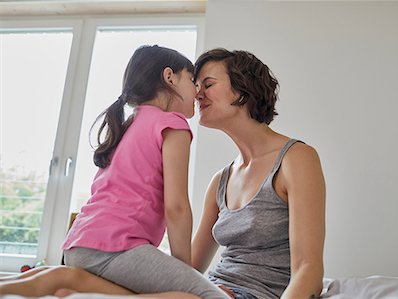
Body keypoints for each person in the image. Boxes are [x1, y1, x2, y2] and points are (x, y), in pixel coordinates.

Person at [0, 48, 326, 299]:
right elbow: (188, 268)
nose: (197, 93)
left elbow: (308, 269)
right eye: (195, 84)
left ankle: (75, 283)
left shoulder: (296, 159)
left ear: (242, 91)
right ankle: (75, 282)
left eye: (208, 85)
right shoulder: (221, 180)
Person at [0, 45, 228, 299]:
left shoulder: (129, 123)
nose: (197, 91)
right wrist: (185, 270)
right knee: (208, 296)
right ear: (169, 77)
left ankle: (69, 285)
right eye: (192, 80)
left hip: (79, 244)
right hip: (116, 247)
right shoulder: (172, 124)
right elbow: (176, 207)